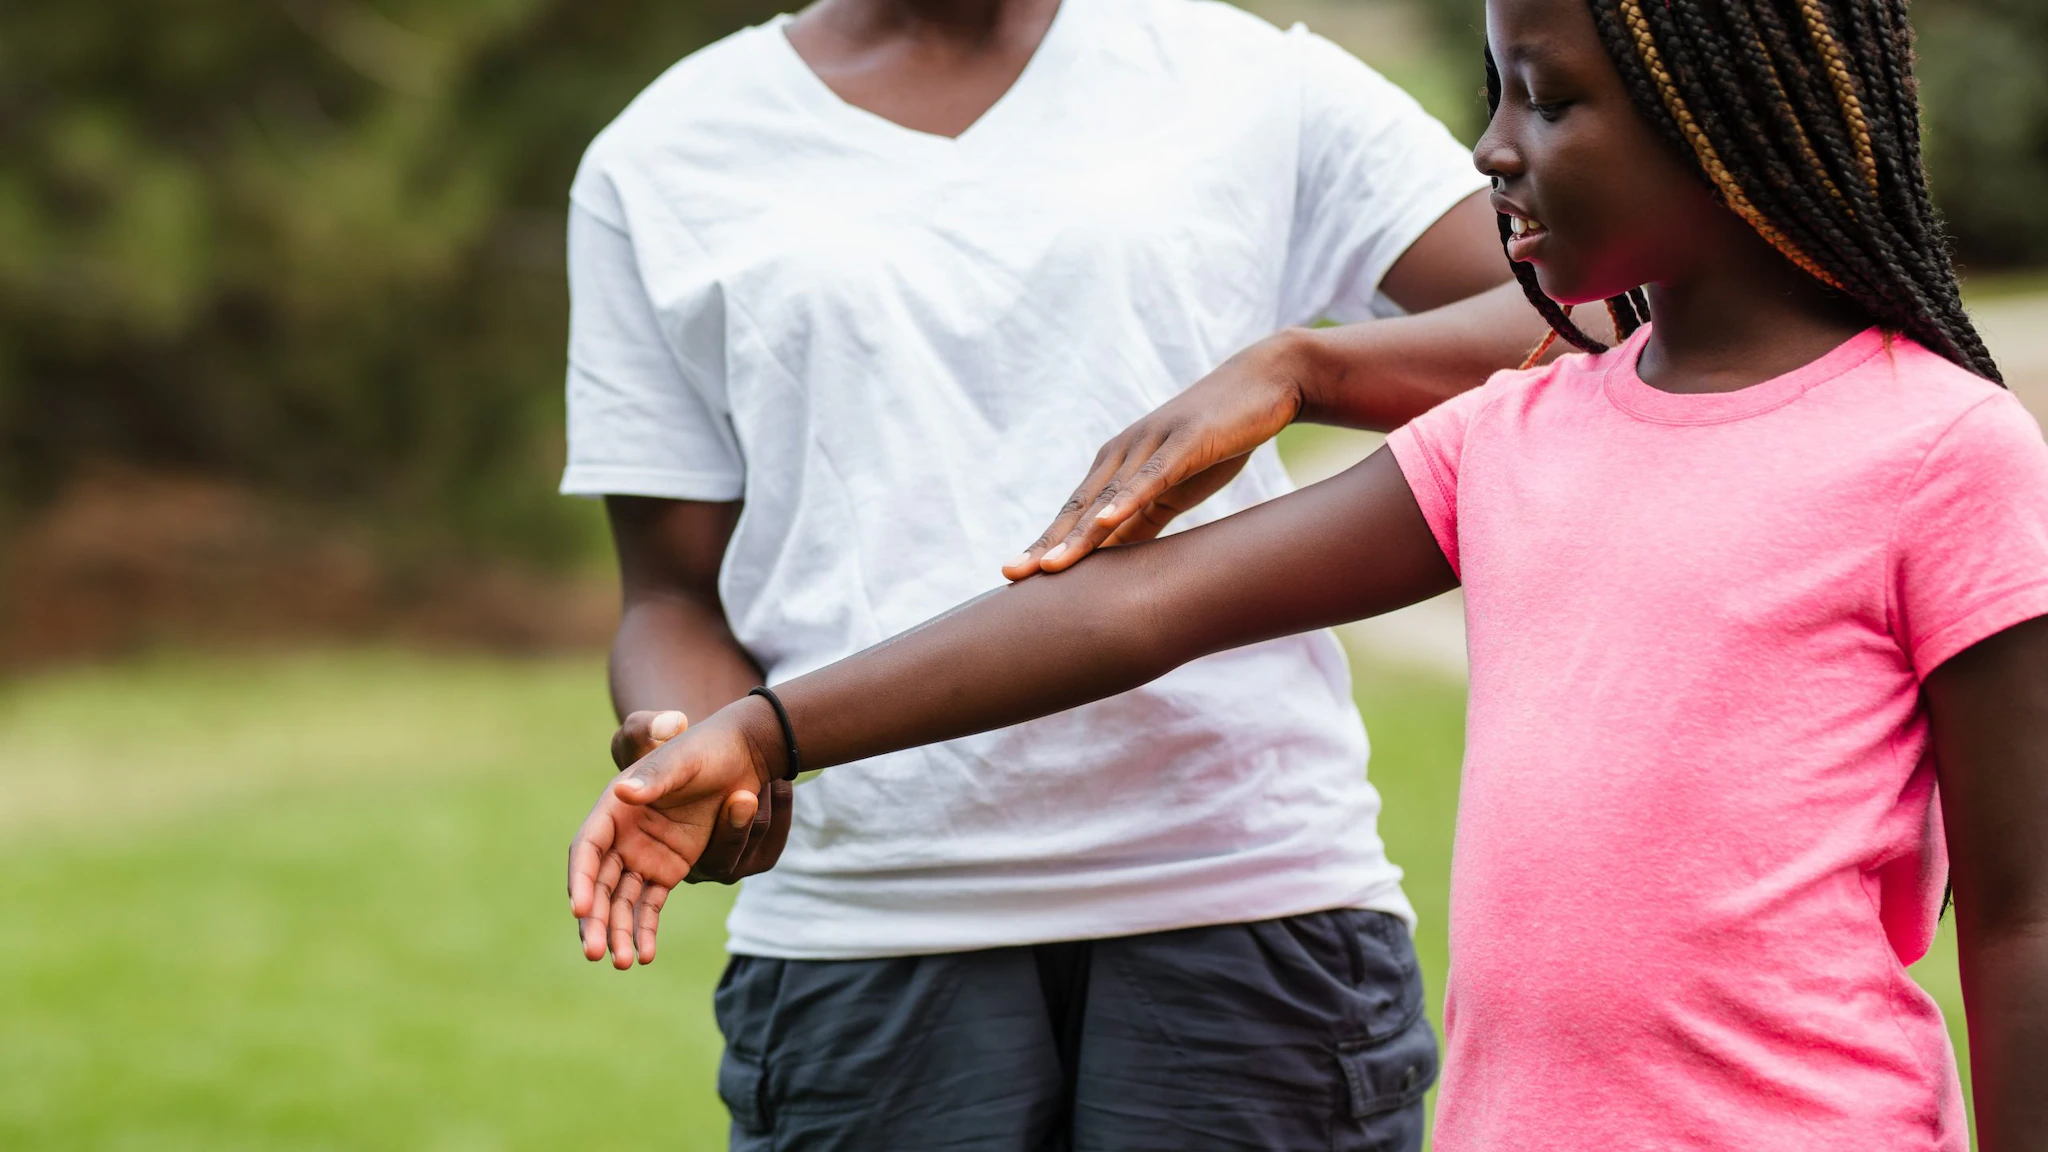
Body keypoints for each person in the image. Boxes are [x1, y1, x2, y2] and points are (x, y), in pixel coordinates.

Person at [567, 0, 2048, 1145]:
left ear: (1729, 112)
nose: (1492, 146)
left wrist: (1305, 365)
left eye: (1545, 98)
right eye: (1499, 96)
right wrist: (762, 733)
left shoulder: (1943, 451)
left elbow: (2022, 913)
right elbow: (1143, 602)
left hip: (1749, 1104)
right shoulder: (1507, 441)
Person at [560, 0, 1594, 1145]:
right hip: (867, 932)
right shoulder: (663, 154)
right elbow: (667, 591)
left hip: (1243, 897)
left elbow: (1584, 307)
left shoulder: (1250, 81)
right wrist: (689, 739)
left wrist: (1305, 369)